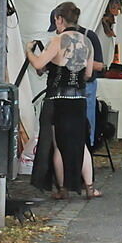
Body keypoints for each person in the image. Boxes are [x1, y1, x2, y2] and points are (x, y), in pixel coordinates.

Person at [26, 2, 101, 199]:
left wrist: (28, 52)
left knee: (59, 144)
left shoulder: (58, 40)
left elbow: (39, 64)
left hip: (58, 98)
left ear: (60, 19)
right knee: (81, 143)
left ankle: (62, 189)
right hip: (79, 98)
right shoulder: (87, 42)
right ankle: (90, 187)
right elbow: (88, 73)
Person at [46, 9, 103, 148]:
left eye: (57, 26)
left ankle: (87, 147)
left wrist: (74, 59)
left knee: (84, 126)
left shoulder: (89, 37)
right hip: (65, 89)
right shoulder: (60, 40)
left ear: (62, 20)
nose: (57, 32)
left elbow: (100, 66)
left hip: (84, 86)